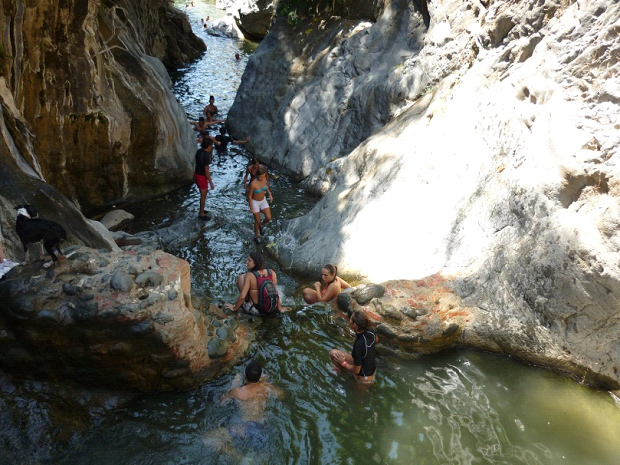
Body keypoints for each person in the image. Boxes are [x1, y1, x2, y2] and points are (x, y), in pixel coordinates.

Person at [203, 360, 284, 456]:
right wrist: (265, 383)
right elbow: (282, 395)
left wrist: (234, 385)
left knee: (207, 438)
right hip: (264, 427)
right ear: (260, 377)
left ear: (245, 377)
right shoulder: (266, 388)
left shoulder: (238, 391)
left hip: (245, 428)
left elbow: (220, 400)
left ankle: (236, 455)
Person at [329, 310, 377, 384]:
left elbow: (356, 370)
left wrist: (343, 363)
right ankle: (341, 371)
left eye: (350, 319)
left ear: (354, 325)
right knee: (333, 353)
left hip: (364, 378)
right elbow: (376, 340)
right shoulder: (370, 330)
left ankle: (345, 372)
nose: (349, 320)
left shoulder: (359, 344)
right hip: (369, 367)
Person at [248, 167, 272, 244]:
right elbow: (249, 196)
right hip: (255, 202)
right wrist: (251, 207)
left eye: (264, 176)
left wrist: (270, 194)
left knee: (268, 217)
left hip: (263, 200)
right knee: (257, 221)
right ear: (257, 175)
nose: (262, 178)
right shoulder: (253, 184)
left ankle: (261, 226)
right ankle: (256, 236)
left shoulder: (264, 179)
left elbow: (266, 186)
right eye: (261, 176)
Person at [194, 137, 215, 220]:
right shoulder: (206, 156)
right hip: (202, 177)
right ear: (209, 146)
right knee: (203, 195)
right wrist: (211, 182)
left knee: (202, 194)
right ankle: (202, 214)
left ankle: (202, 210)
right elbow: (207, 172)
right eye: (211, 146)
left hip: (197, 174)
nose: (212, 147)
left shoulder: (199, 151)